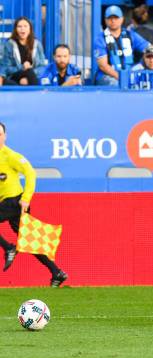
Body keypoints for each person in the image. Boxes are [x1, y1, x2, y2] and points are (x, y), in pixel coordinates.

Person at [0, 122, 68, 287]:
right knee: (29, 240)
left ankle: (9, 248)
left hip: (16, 202)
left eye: (0, 134)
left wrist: (26, 197)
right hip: (7, 202)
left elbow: (30, 172)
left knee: (26, 240)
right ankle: (56, 272)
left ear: (5, 136)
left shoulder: (11, 156)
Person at [94, 5, 150, 85]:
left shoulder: (130, 35)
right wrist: (121, 78)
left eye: (116, 18)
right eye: (110, 18)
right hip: (107, 77)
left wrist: (142, 64)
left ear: (122, 19)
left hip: (129, 74)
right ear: (105, 20)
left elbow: (149, 49)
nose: (113, 21)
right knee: (115, 84)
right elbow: (103, 66)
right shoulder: (100, 39)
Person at [3, 17, 46, 85]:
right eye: (19, 26)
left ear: (30, 29)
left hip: (33, 75)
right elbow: (6, 68)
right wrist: (23, 67)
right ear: (16, 29)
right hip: (15, 75)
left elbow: (42, 67)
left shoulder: (37, 44)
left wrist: (30, 70)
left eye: (25, 26)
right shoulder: (9, 44)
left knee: (30, 73)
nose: (22, 29)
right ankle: (35, 93)